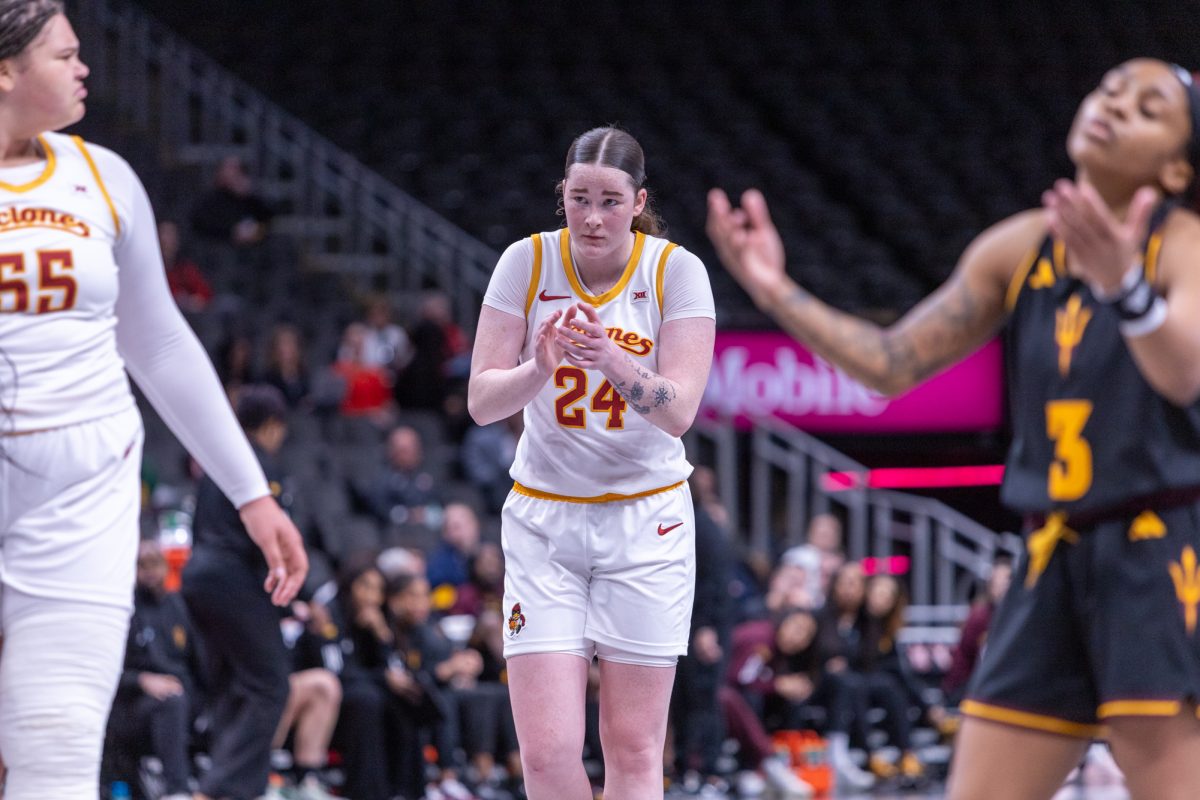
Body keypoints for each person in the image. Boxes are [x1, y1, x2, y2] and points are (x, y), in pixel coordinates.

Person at [708, 57, 1200, 800]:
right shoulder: (1021, 245)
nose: (1115, 105)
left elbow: (1183, 372)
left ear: (1174, 169)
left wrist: (1124, 288)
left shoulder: (1186, 245)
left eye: (1148, 107)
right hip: (1051, 553)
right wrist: (776, 291)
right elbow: (889, 363)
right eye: (1109, 89)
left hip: (1157, 555)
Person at [0, 5, 306, 799]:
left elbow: (163, 346)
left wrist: (251, 493)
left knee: (57, 746)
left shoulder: (103, 177)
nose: (83, 69)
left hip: (80, 491)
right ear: (6, 71)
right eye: (64, 55)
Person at [468, 126, 716, 799]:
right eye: (579, 198)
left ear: (639, 202)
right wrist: (538, 368)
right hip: (546, 520)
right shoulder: (525, 262)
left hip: (647, 521)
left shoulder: (675, 271)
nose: (593, 217)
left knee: (633, 749)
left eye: (610, 200)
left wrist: (609, 356)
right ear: (562, 198)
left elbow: (679, 411)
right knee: (546, 755)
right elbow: (482, 401)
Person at [181, 385, 306, 800]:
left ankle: (233, 788)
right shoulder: (262, 467)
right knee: (271, 687)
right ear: (273, 426)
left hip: (198, 577)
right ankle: (216, 790)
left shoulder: (218, 462)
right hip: (235, 579)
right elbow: (270, 542)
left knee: (231, 685)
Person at [105, 539, 205, 800]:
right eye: (141, 565)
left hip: (184, 699)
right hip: (132, 706)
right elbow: (107, 669)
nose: (150, 571)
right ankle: (177, 790)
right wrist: (142, 680)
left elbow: (199, 663)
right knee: (171, 702)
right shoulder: (124, 610)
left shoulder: (179, 606)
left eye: (155, 564)